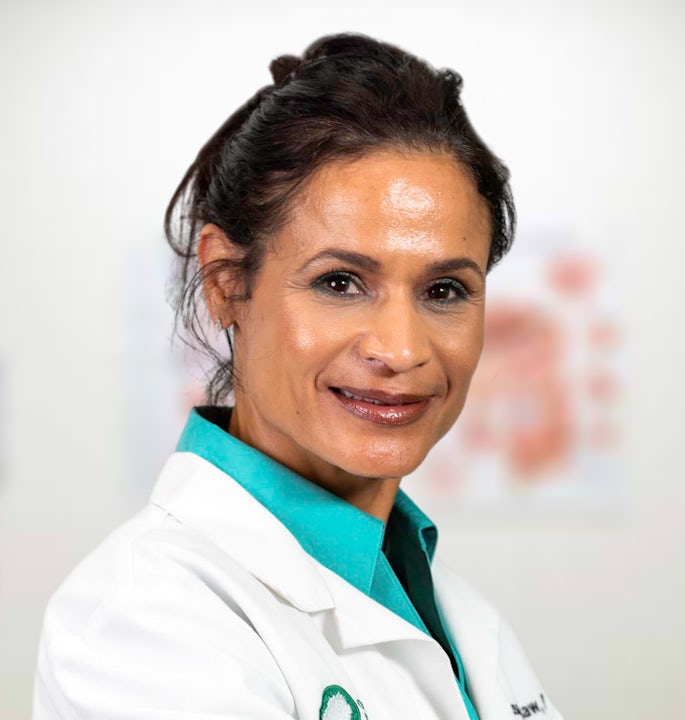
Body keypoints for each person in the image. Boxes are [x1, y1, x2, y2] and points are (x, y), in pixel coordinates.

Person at [34, 33, 563, 720]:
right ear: (226, 282)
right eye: (340, 282)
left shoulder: (461, 617)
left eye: (444, 291)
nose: (402, 350)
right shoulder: (142, 622)